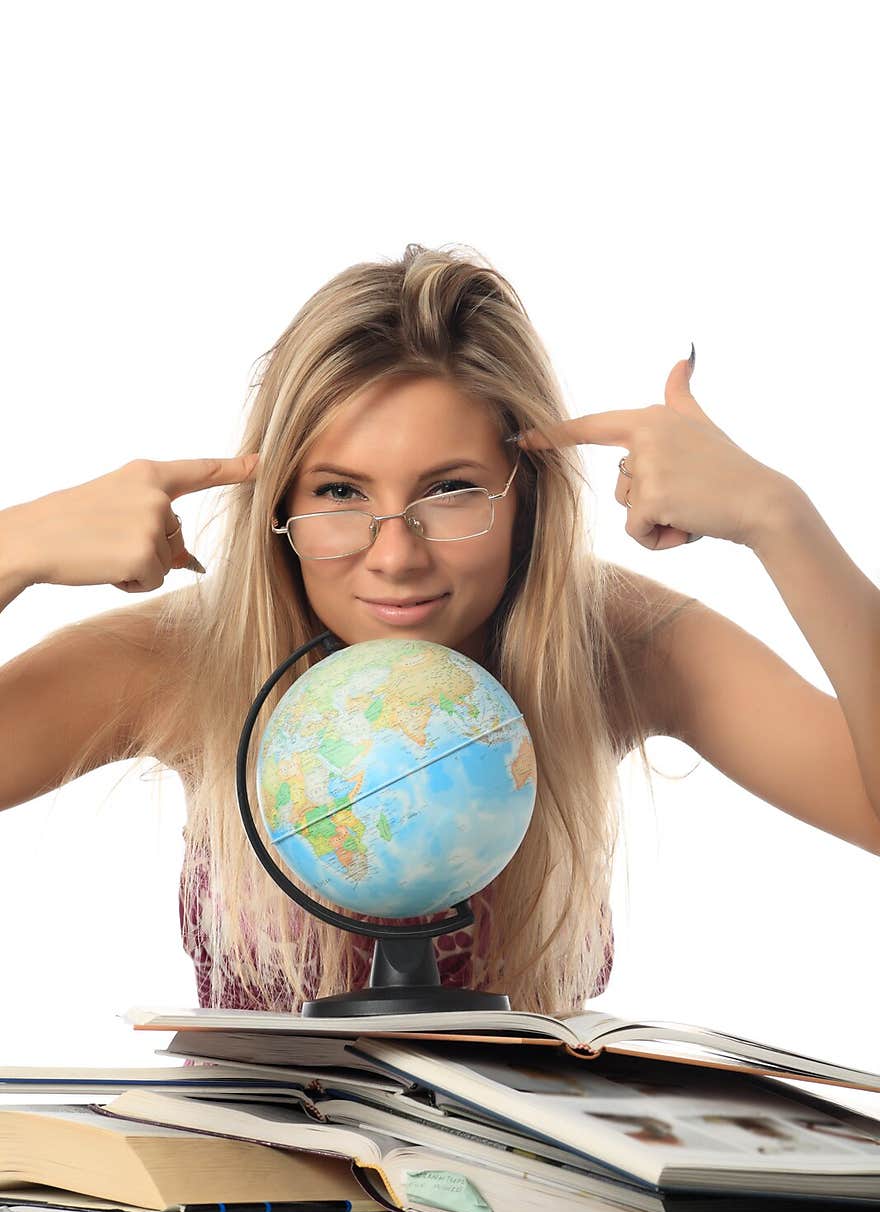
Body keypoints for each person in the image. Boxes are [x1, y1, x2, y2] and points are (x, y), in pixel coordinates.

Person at [0, 243, 877, 1016]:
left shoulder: (613, 643)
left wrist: (778, 517)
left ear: (526, 499)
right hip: (254, 1197)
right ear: (280, 506)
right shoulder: (187, 657)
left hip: (528, 1198)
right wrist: (12, 549)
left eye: (450, 489)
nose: (394, 557)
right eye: (339, 493)